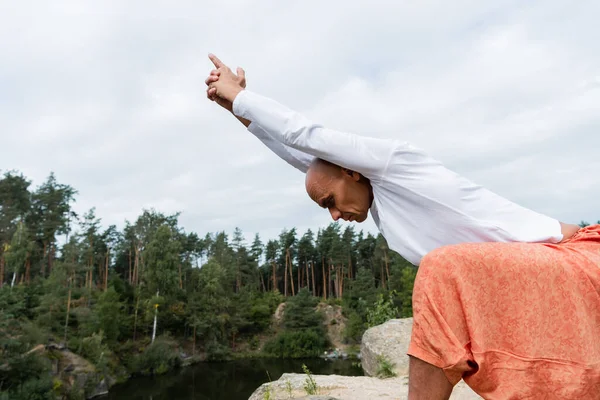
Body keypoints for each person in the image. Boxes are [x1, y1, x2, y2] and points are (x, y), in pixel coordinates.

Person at [204, 54, 600, 399]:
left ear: (350, 170)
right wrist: (235, 110)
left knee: (440, 271)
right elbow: (298, 155)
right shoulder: (375, 198)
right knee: (446, 273)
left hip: (574, 258)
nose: (335, 217)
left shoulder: (393, 164)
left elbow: (306, 136)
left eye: (331, 203)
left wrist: (241, 95)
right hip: (531, 270)